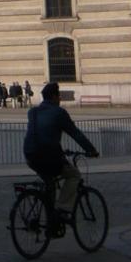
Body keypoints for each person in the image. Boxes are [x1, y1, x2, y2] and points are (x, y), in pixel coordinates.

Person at [23, 82, 99, 233]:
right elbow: (75, 134)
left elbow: (42, 133)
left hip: (30, 155)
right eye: (59, 96)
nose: (60, 99)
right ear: (54, 97)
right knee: (74, 175)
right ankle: (62, 209)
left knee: (49, 183)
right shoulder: (59, 113)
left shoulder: (33, 112)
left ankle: (51, 222)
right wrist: (91, 150)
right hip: (48, 156)